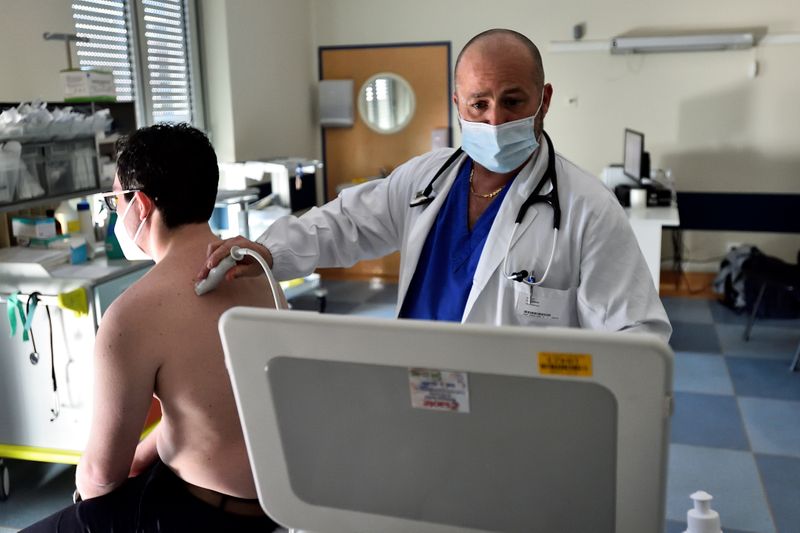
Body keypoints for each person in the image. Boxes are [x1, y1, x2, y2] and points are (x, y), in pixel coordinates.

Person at [198, 29, 671, 341]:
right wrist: (266, 252)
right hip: (418, 392)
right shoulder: (427, 178)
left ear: (543, 100)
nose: (495, 118)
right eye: (478, 103)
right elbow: (343, 224)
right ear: (456, 104)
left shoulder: (588, 208)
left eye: (512, 101)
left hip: (522, 422)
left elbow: (639, 339)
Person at [24, 124, 284, 532]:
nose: (116, 215)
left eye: (116, 202)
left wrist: (84, 495)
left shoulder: (132, 314)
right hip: (274, 505)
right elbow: (211, 412)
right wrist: (147, 453)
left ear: (141, 205)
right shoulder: (260, 276)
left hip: (199, 514)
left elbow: (101, 475)